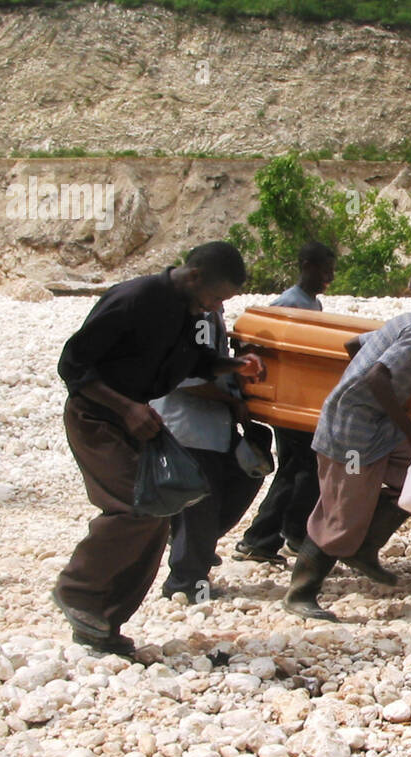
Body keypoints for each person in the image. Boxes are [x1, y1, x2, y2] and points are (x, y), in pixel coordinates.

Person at [53, 242, 265, 655]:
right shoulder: (135, 298)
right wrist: (126, 407)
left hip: (137, 418)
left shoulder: (187, 311)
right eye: (217, 296)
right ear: (195, 276)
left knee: (161, 505)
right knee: (135, 504)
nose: (216, 305)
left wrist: (235, 365)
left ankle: (102, 621)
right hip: (96, 416)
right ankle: (77, 591)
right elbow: (73, 365)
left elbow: (191, 362)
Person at [284, 265, 411, 622]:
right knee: (340, 515)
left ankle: (364, 548)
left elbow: (355, 345)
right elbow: (376, 376)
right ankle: (301, 592)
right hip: (352, 433)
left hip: (377, 428)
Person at [151, 307, 265, 603]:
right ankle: (187, 583)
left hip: (212, 429)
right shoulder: (198, 316)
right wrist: (230, 400)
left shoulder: (209, 314)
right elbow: (189, 380)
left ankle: (192, 546)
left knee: (242, 479)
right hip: (191, 429)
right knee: (199, 505)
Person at [234, 242, 336, 566]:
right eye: (324, 269)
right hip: (289, 404)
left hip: (301, 402)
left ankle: (291, 534)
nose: (329, 277)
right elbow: (254, 346)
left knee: (302, 468)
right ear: (306, 265)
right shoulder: (289, 304)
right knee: (299, 470)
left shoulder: (311, 304)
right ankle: (261, 539)